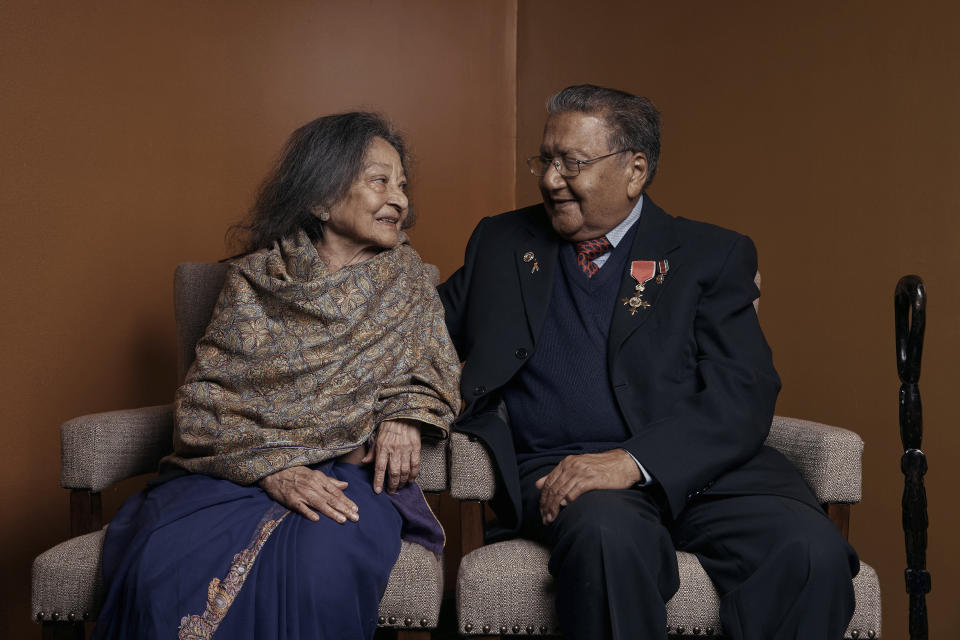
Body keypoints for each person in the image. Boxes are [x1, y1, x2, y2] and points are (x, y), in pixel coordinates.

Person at [438, 85, 859, 639]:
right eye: (546, 159)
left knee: (811, 553)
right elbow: (418, 336)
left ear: (635, 170)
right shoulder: (500, 242)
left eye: (573, 163)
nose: (549, 178)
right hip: (570, 474)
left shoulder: (711, 254)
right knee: (610, 543)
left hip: (712, 477)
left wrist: (634, 460)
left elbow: (744, 388)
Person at [92, 112, 461, 640]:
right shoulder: (255, 280)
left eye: (402, 185)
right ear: (320, 200)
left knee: (318, 572)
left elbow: (434, 370)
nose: (399, 198)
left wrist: (405, 415)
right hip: (239, 468)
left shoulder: (407, 282)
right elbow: (203, 403)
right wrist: (274, 470)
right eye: (380, 181)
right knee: (161, 567)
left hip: (348, 475)